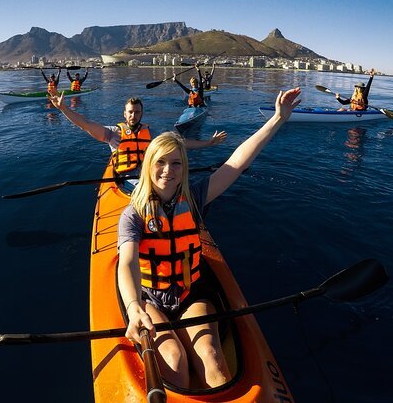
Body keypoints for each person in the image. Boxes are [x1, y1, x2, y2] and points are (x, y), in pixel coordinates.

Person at [117, 88, 301, 389]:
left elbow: (236, 163)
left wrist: (277, 120)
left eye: (177, 163)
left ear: (184, 168)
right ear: (149, 165)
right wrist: (133, 305)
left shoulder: (196, 196)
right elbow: (127, 263)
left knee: (213, 360)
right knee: (174, 362)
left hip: (191, 294)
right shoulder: (133, 214)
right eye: (161, 162)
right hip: (151, 298)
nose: (168, 170)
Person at [46, 93, 227, 177]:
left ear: (142, 114)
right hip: (126, 181)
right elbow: (85, 124)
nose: (133, 116)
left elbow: (180, 142)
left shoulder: (152, 133)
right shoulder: (113, 133)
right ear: (125, 114)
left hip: (148, 178)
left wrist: (208, 143)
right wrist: (63, 108)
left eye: (137, 112)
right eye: (130, 112)